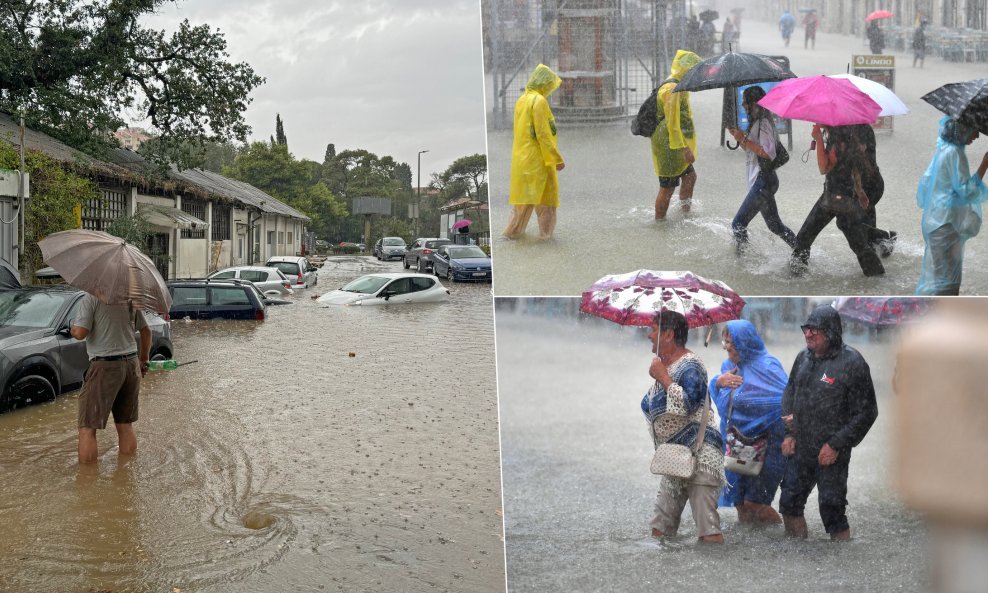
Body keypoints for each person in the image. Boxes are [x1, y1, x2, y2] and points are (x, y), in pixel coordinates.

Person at [779, 304, 878, 541]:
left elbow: (867, 412)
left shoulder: (852, 363)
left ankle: (840, 563)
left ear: (832, 332)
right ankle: (798, 555)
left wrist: (836, 444)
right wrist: (789, 433)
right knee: (789, 502)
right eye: (806, 328)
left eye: (815, 329)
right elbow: (789, 393)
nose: (808, 334)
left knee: (832, 508)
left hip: (831, 450)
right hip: (801, 445)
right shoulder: (803, 358)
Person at [641, 310, 725, 543]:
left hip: (701, 455)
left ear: (668, 335)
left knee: (708, 532)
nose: (649, 335)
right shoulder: (666, 365)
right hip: (674, 457)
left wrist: (663, 378)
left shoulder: (691, 365)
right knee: (660, 529)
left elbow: (688, 404)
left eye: (654, 330)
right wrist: (662, 374)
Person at [709, 320, 787, 525]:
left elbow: (785, 402)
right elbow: (722, 404)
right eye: (724, 342)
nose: (725, 347)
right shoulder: (729, 367)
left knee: (756, 504)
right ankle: (749, 546)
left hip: (768, 445)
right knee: (741, 504)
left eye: (729, 342)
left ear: (744, 343)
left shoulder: (769, 365)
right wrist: (718, 382)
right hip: (736, 443)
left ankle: (784, 539)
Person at [789, 124, 885, 277]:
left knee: (804, 237)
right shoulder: (848, 134)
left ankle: (795, 277)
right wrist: (859, 192)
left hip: (834, 198)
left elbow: (823, 168)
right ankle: (877, 276)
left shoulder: (837, 139)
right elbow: (854, 167)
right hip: (848, 197)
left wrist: (818, 139)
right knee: (858, 244)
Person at [71, 296, 151, 465]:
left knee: (87, 427)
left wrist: (73, 327)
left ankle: (88, 482)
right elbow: (146, 331)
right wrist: (144, 360)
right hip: (130, 364)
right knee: (125, 424)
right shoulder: (129, 300)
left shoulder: (90, 298)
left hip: (104, 366)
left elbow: (79, 333)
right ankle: (126, 474)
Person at [915, 116, 988, 295]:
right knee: (948, 282)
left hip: (934, 221)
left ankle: (934, 313)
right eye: (974, 129)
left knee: (938, 277)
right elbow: (967, 191)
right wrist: (985, 164)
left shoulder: (942, 149)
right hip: (946, 225)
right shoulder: (956, 153)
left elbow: (925, 183)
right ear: (963, 129)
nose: (977, 135)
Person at [727, 86, 796, 253]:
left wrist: (743, 138)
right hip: (762, 181)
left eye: (745, 103)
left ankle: (741, 263)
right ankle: (801, 249)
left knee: (738, 223)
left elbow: (768, 153)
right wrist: (740, 138)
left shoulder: (764, 123)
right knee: (775, 225)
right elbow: (752, 151)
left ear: (754, 103)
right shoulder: (756, 123)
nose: (743, 107)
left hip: (763, 181)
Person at [503, 63, 565, 241]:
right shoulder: (539, 101)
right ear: (544, 83)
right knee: (546, 205)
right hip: (539, 162)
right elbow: (543, 134)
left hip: (521, 162)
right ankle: (545, 241)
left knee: (521, 206)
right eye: (550, 85)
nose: (550, 89)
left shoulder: (522, 100)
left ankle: (511, 238)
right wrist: (556, 158)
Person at [651, 50, 701, 220]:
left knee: (689, 177)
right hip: (669, 143)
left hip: (675, 141)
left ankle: (684, 215)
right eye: (693, 70)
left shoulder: (680, 85)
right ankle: (659, 222)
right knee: (667, 186)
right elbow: (672, 124)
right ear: (686, 69)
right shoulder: (673, 88)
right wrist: (683, 147)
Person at [850, 123, 897, 257]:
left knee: (854, 221)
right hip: (862, 185)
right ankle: (879, 244)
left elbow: (860, 150)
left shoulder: (862, 127)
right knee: (865, 221)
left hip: (871, 185)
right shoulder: (849, 128)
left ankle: (886, 236)